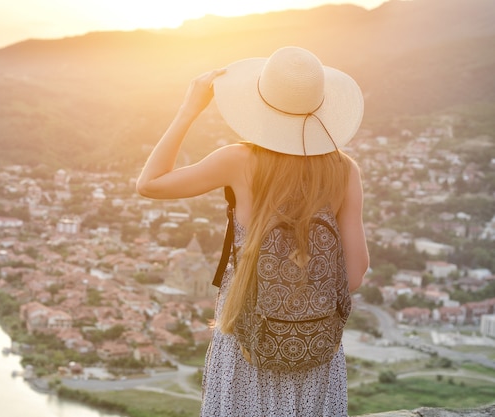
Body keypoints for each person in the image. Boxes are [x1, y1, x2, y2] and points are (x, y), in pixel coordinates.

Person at [136, 46, 369, 417]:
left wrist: (189, 110)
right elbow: (353, 275)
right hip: (315, 349)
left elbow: (150, 184)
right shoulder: (345, 170)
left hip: (248, 343)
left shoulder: (239, 160)